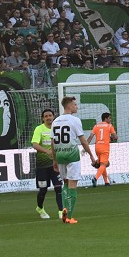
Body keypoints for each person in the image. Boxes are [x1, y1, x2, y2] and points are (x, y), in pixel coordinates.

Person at [52, 96, 98, 224]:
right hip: (72, 155)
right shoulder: (75, 120)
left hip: (60, 155)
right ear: (69, 106)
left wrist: (54, 160)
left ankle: (64, 209)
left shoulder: (55, 121)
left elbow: (53, 142)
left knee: (65, 184)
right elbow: (83, 140)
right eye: (75, 104)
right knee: (73, 185)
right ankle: (69, 216)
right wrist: (91, 155)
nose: (76, 107)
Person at [31, 108, 63, 219]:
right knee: (43, 190)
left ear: (53, 117)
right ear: (43, 118)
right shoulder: (39, 129)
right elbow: (34, 144)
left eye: (50, 115)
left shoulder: (57, 129)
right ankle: (39, 207)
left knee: (58, 188)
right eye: (46, 116)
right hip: (42, 166)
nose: (48, 117)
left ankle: (61, 211)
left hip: (55, 164)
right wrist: (47, 151)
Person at [91, 112, 117, 186]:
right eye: (109, 118)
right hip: (104, 147)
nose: (110, 120)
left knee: (102, 164)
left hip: (97, 147)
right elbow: (115, 137)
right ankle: (95, 178)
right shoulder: (109, 126)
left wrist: (85, 146)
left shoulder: (96, 126)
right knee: (104, 164)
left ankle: (106, 182)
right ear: (105, 119)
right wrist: (110, 139)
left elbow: (90, 137)